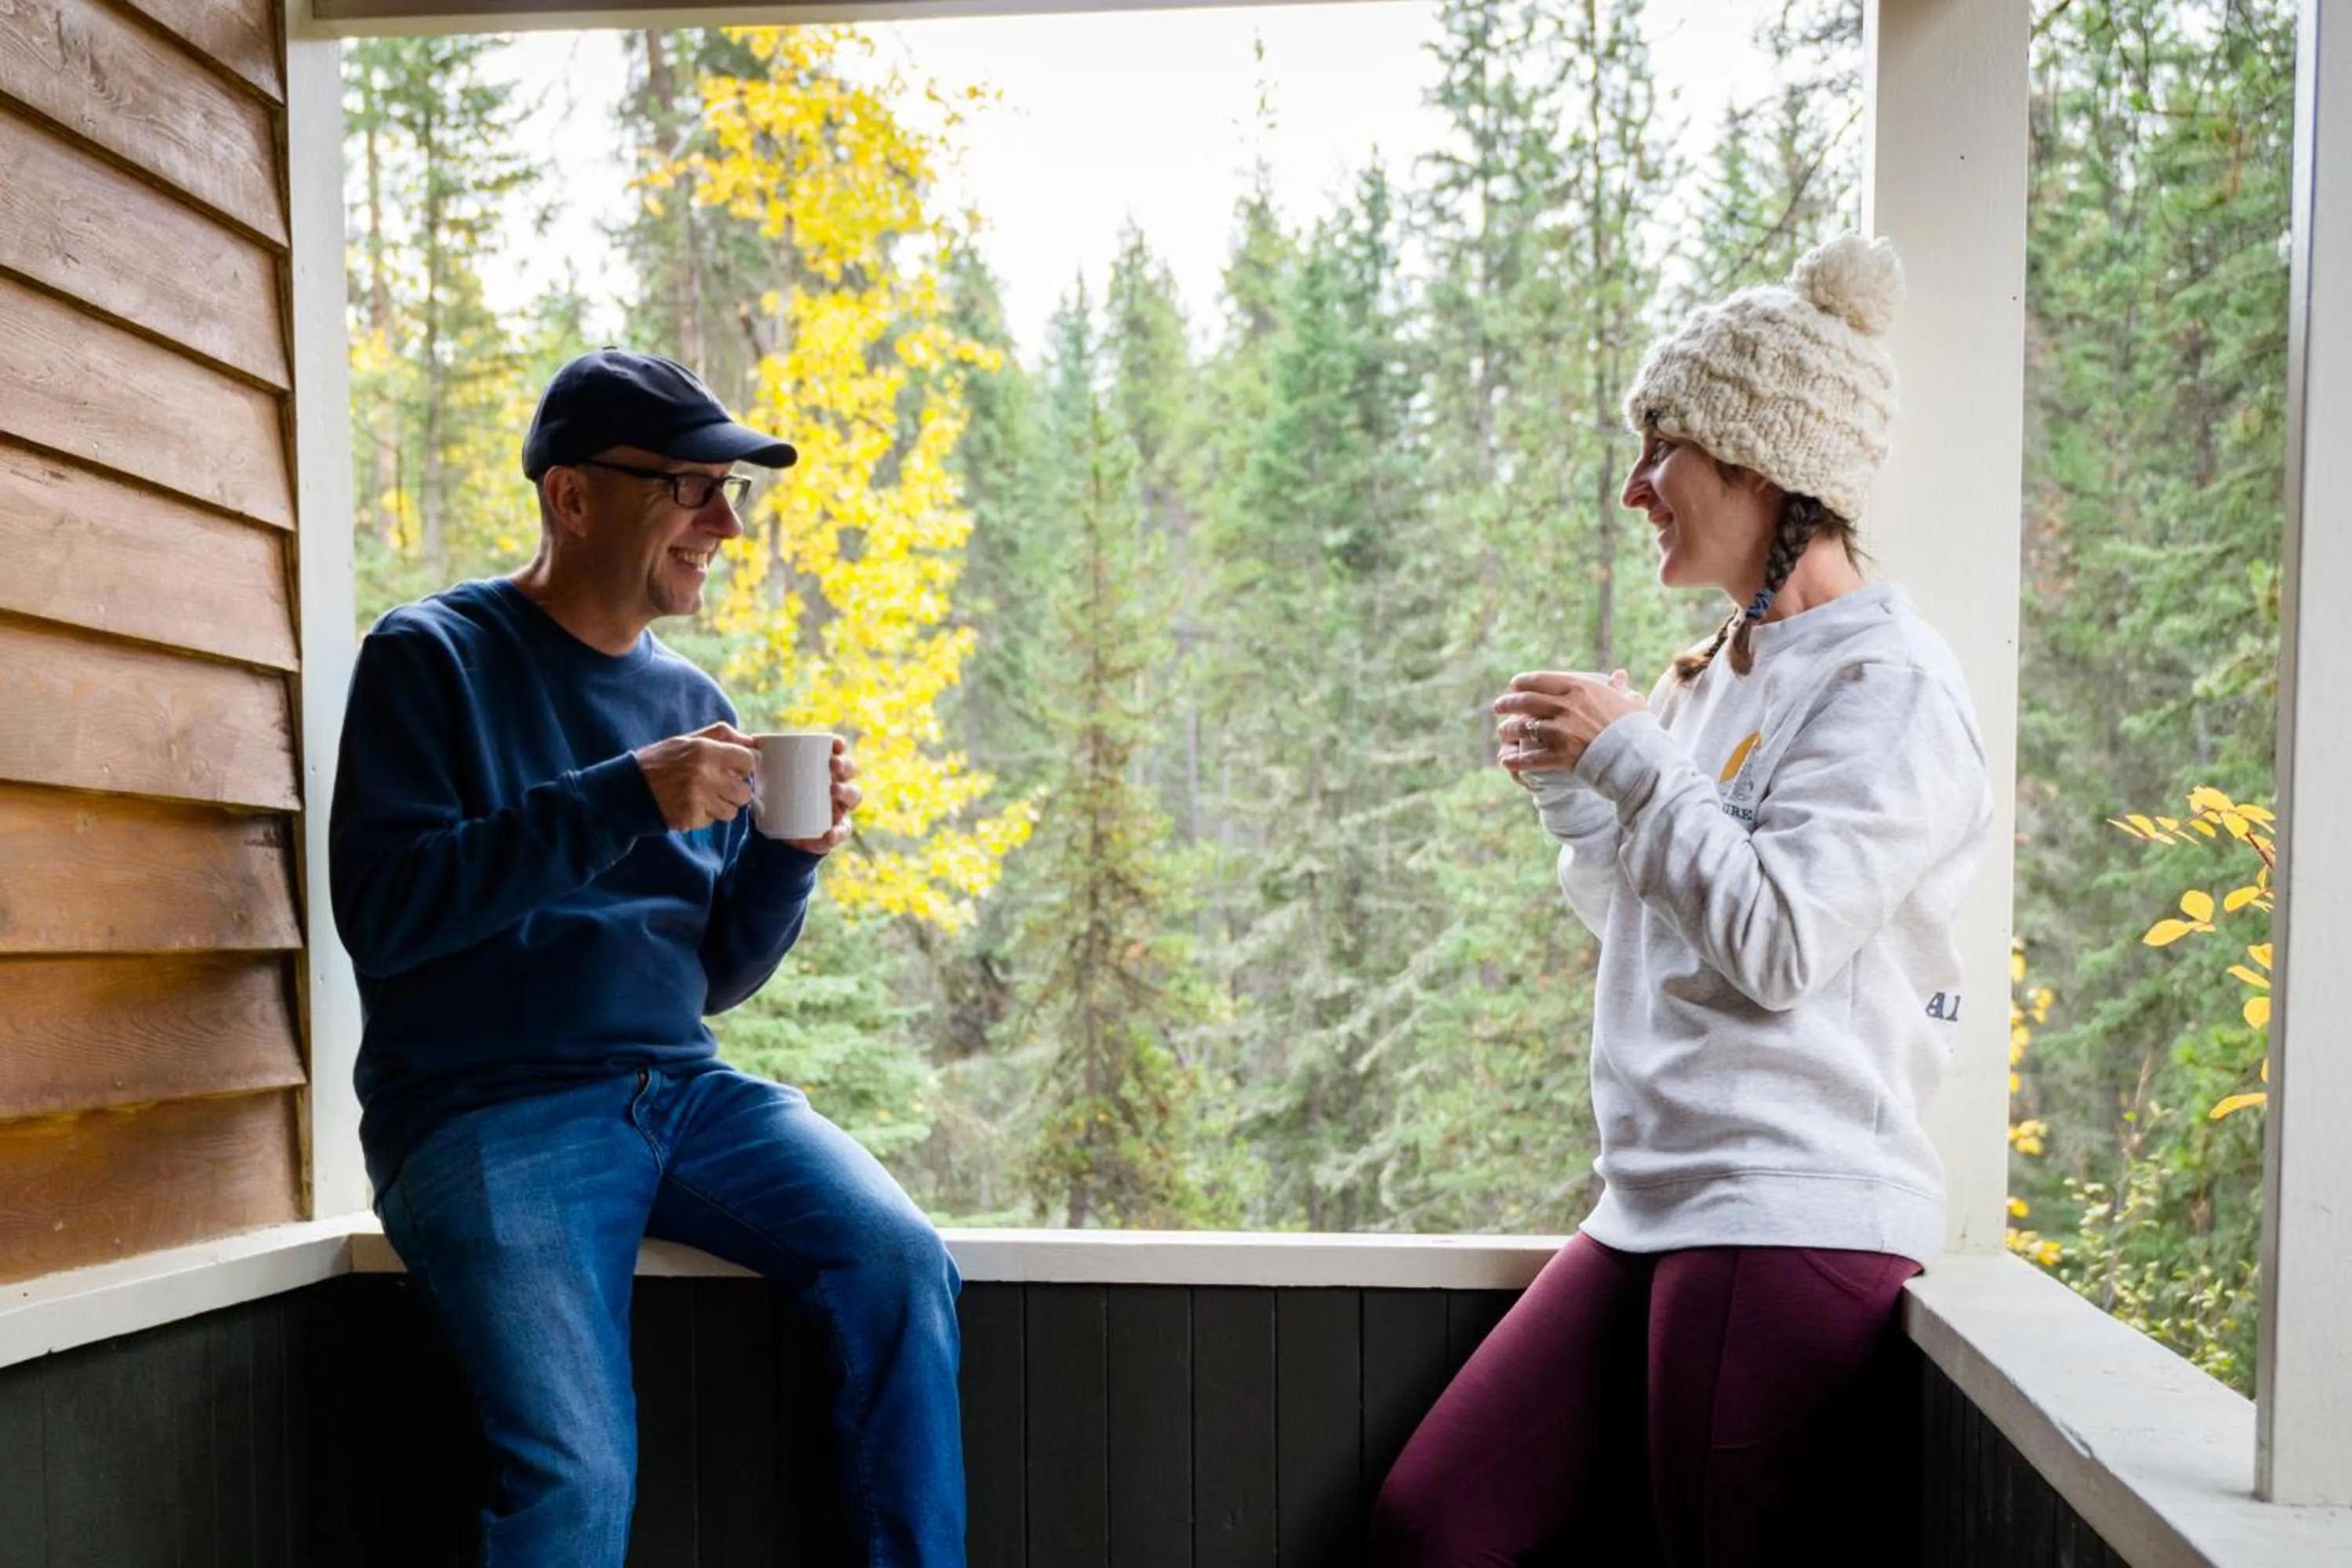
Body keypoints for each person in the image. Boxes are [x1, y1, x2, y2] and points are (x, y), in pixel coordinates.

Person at [1369, 235, 1993, 1566]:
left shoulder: (1892, 689)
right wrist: (1582, 794)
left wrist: (1638, 763)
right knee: (1436, 1525)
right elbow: (1659, 929)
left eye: (1663, 450)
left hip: (1787, 1208)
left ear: (1762, 465)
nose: (1637, 488)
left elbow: (1777, 948)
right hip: (1658, 1201)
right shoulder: (1719, 672)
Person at [329, 349, 965, 1567]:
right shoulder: (432, 657)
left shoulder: (692, 699)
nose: (724, 523)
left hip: (684, 1094)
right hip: (485, 1114)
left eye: (733, 494)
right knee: (575, 1473)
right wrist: (623, 795)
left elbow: (712, 973)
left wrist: (789, 858)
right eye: (691, 488)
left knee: (900, 1264)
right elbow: (388, 910)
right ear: (573, 497)